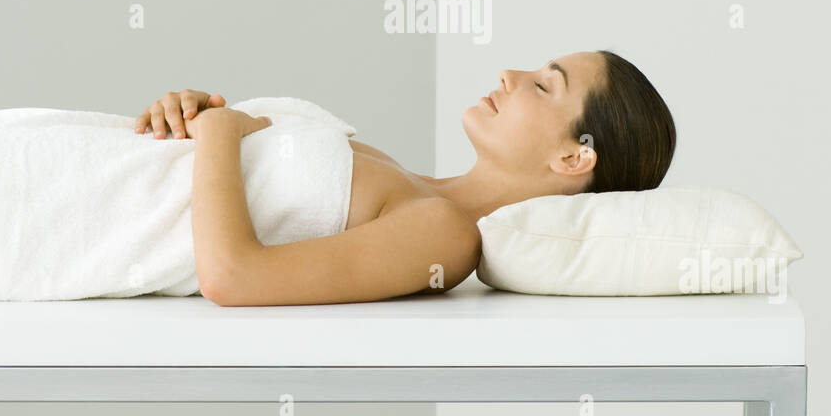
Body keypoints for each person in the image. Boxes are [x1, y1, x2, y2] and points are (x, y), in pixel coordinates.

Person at [134, 50, 676, 307]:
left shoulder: (445, 235)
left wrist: (220, 131)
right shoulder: (410, 183)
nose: (510, 75)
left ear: (573, 158)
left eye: (542, 86)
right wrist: (188, 113)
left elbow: (233, 278)